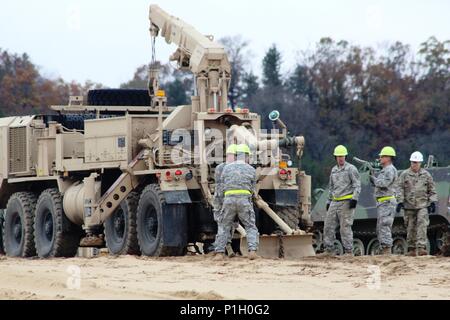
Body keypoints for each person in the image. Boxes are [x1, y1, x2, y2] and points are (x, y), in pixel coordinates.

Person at [214, 144, 259, 260]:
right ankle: (252, 251)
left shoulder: (225, 169)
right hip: (244, 200)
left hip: (228, 200)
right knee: (250, 226)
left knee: (224, 226)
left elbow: (221, 188)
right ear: (246, 156)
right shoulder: (251, 169)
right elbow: (253, 189)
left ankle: (219, 253)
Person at [322, 145, 361, 256]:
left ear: (345, 156)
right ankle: (328, 250)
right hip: (335, 201)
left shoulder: (351, 169)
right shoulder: (334, 170)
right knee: (328, 226)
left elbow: (357, 185)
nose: (340, 158)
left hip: (346, 202)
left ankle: (348, 251)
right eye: (338, 156)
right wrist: (328, 202)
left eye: (342, 156)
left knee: (345, 227)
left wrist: (354, 199)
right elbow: (331, 187)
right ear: (335, 157)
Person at [397, 151, 438, 256]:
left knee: (422, 224)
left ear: (420, 163)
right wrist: (400, 201)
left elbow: (432, 189)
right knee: (410, 226)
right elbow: (399, 188)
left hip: (422, 205)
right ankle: (411, 249)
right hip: (409, 205)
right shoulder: (404, 174)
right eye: (413, 162)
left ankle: (421, 247)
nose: (415, 164)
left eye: (417, 162)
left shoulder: (426, 175)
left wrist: (433, 202)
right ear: (411, 162)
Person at [369, 147, 398, 255]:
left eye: (382, 156)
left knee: (384, 227)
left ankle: (386, 251)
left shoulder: (390, 170)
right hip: (383, 202)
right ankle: (384, 249)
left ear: (388, 158)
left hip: (387, 202)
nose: (380, 158)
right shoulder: (385, 170)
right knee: (381, 227)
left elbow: (384, 183)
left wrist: (374, 179)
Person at [211, 144, 237, 255]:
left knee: (228, 224)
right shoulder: (221, 168)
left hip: (227, 200)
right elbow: (220, 188)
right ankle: (222, 248)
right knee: (223, 223)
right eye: (232, 155)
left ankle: (224, 246)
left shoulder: (229, 167)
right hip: (222, 200)